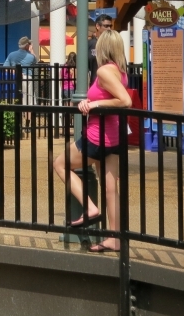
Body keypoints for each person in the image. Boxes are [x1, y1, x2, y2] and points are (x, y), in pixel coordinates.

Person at [52, 30, 131, 253]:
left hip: (98, 136)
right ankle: (114, 238)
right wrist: (91, 100)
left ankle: (89, 207)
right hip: (114, 136)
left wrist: (93, 105)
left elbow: (124, 100)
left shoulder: (105, 71)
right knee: (110, 188)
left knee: (60, 163)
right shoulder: (120, 71)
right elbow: (109, 97)